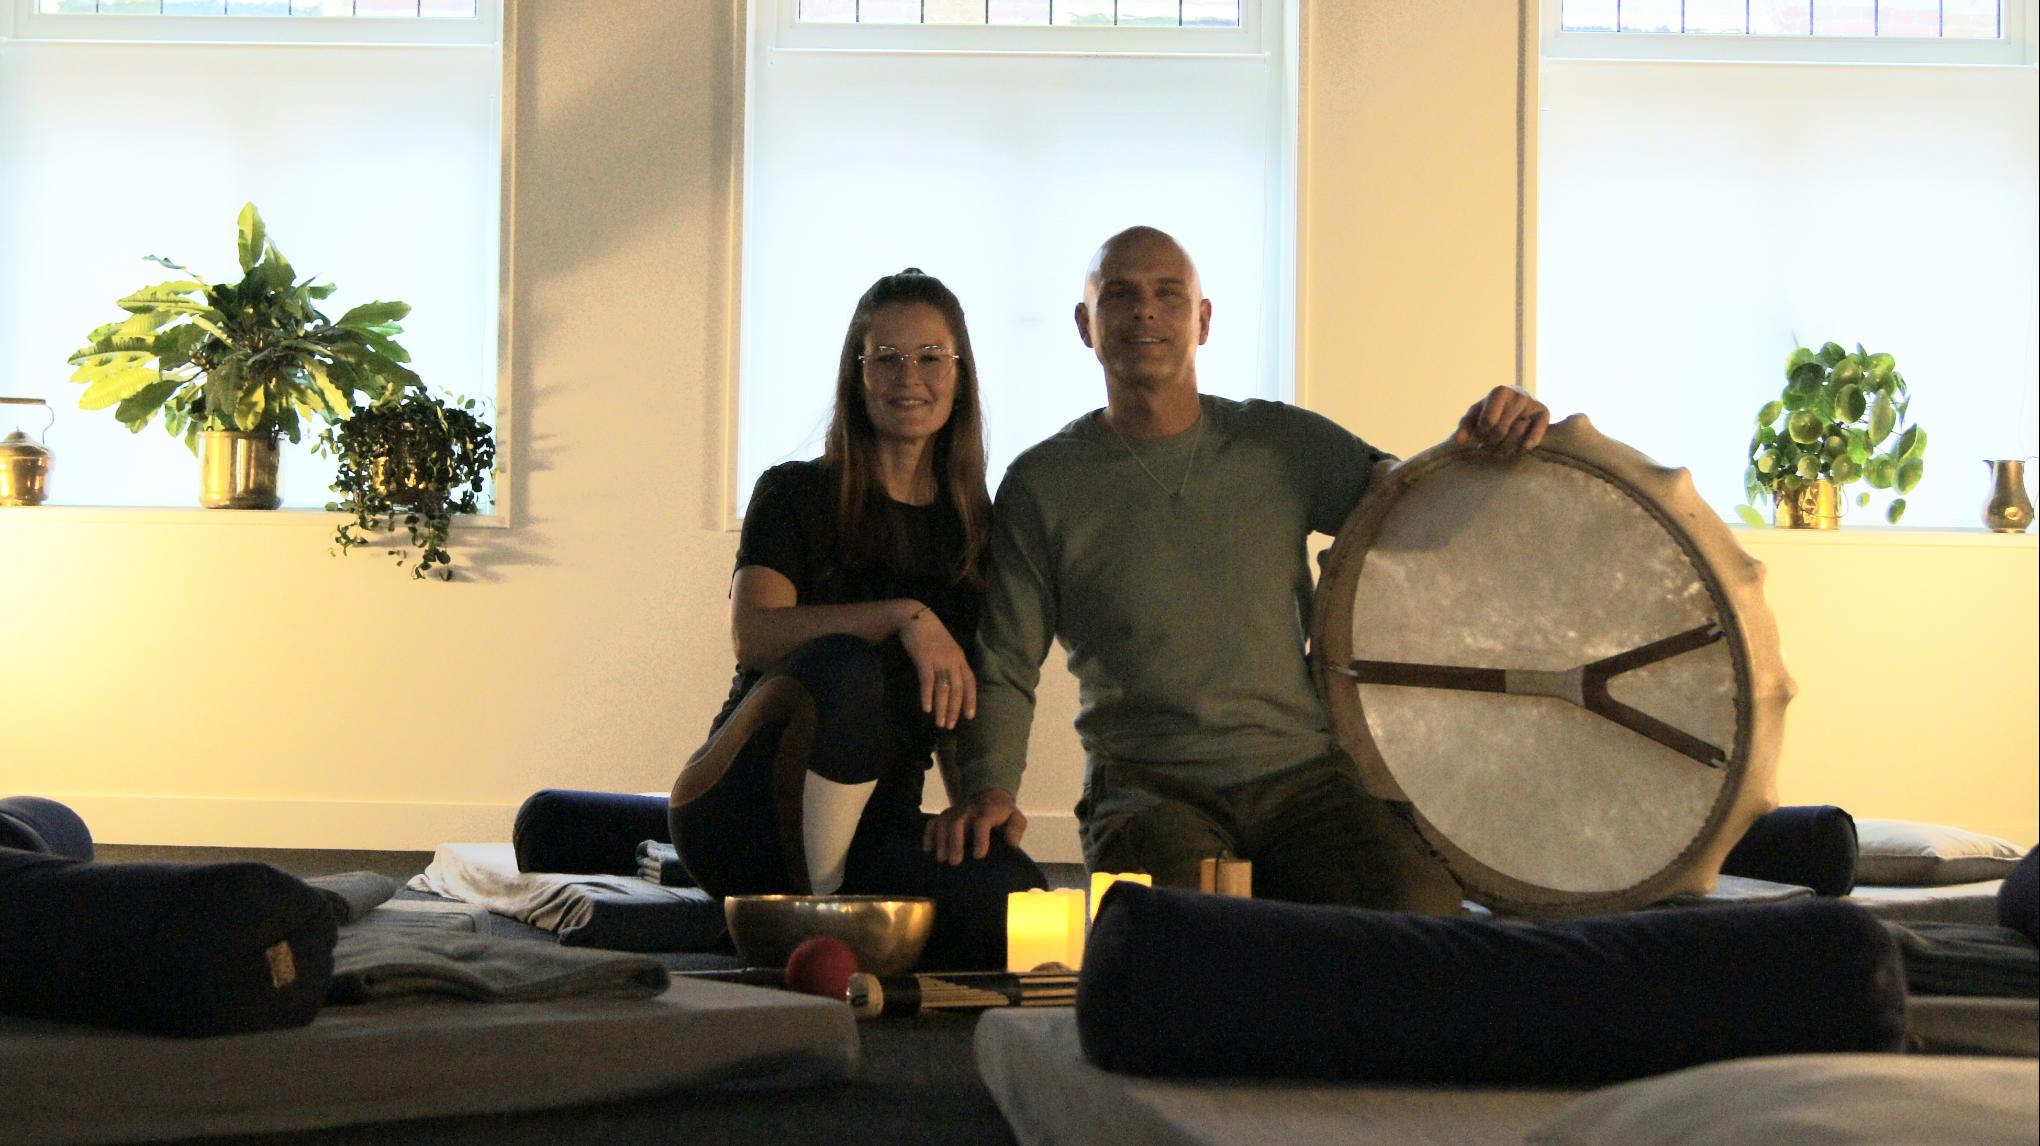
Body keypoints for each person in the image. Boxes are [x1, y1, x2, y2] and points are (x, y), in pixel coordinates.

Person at [923, 227, 1549, 912]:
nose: (1145, 311)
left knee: (1422, 913)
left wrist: (1494, 433)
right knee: (1197, 938)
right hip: (1146, 789)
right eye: (1120, 295)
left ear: (1203, 320)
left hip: (1307, 780)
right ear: (1085, 324)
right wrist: (990, 790)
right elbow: (1007, 659)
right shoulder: (1043, 481)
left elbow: (1413, 511)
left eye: (1168, 294)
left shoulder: (1282, 442)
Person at [670, 267, 1046, 969]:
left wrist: (975, 805)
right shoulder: (794, 493)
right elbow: (754, 634)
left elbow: (959, 693)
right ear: (858, 373)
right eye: (888, 358)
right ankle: (815, 911)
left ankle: (818, 913)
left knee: (1012, 899)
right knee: (844, 667)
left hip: (877, 823)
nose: (911, 377)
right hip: (745, 805)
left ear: (960, 375)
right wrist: (903, 616)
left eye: (931, 357)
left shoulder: (975, 531)